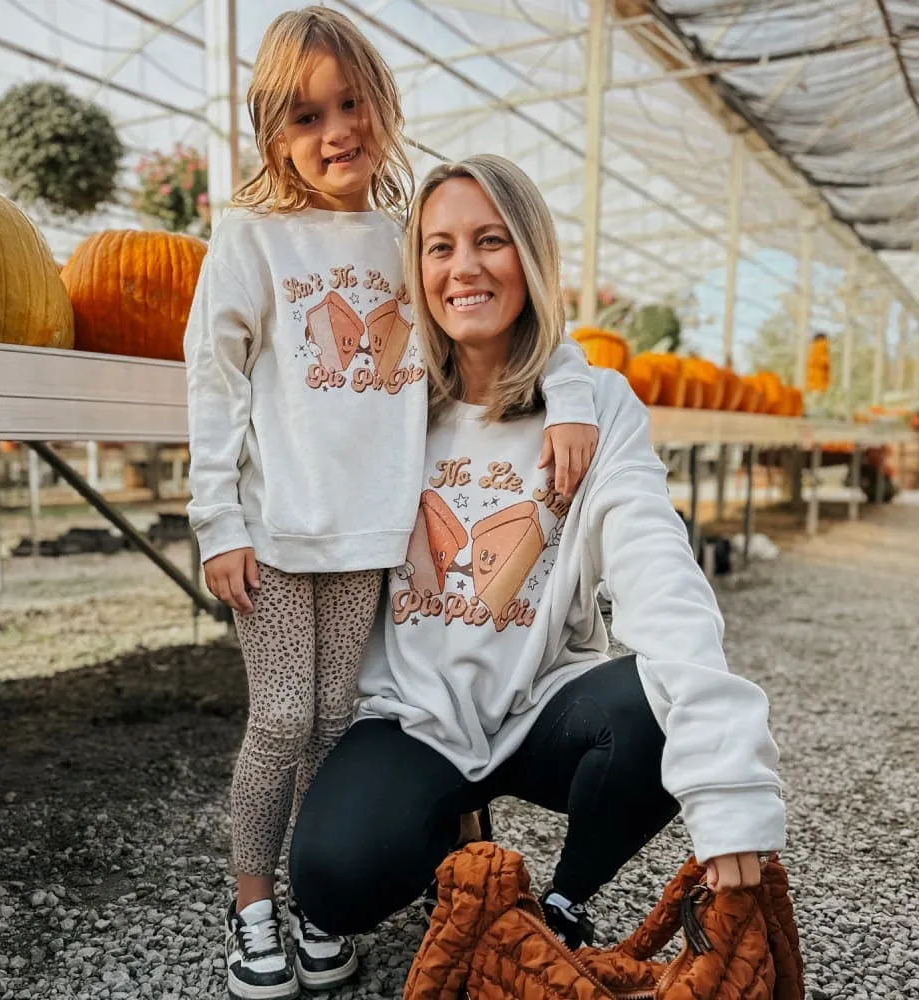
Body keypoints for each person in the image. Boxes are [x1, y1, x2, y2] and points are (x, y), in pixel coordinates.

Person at [183, 10, 601, 999]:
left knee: (336, 722)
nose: (334, 131)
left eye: (349, 103)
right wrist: (216, 520)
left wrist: (573, 399)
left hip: (376, 538)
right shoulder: (253, 237)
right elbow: (213, 375)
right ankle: (253, 909)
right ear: (272, 134)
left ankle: (316, 907)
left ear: (382, 100)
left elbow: (532, 322)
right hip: (281, 534)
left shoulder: (406, 233)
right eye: (304, 117)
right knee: (282, 719)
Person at [288, 154, 787, 950]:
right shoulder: (392, 400)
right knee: (333, 883)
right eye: (439, 247)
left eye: (491, 240)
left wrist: (726, 781)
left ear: (532, 254)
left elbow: (656, 565)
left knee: (651, 714)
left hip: (544, 700)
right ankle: (453, 836)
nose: (465, 268)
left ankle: (563, 900)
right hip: (415, 712)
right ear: (416, 267)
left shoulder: (601, 408)